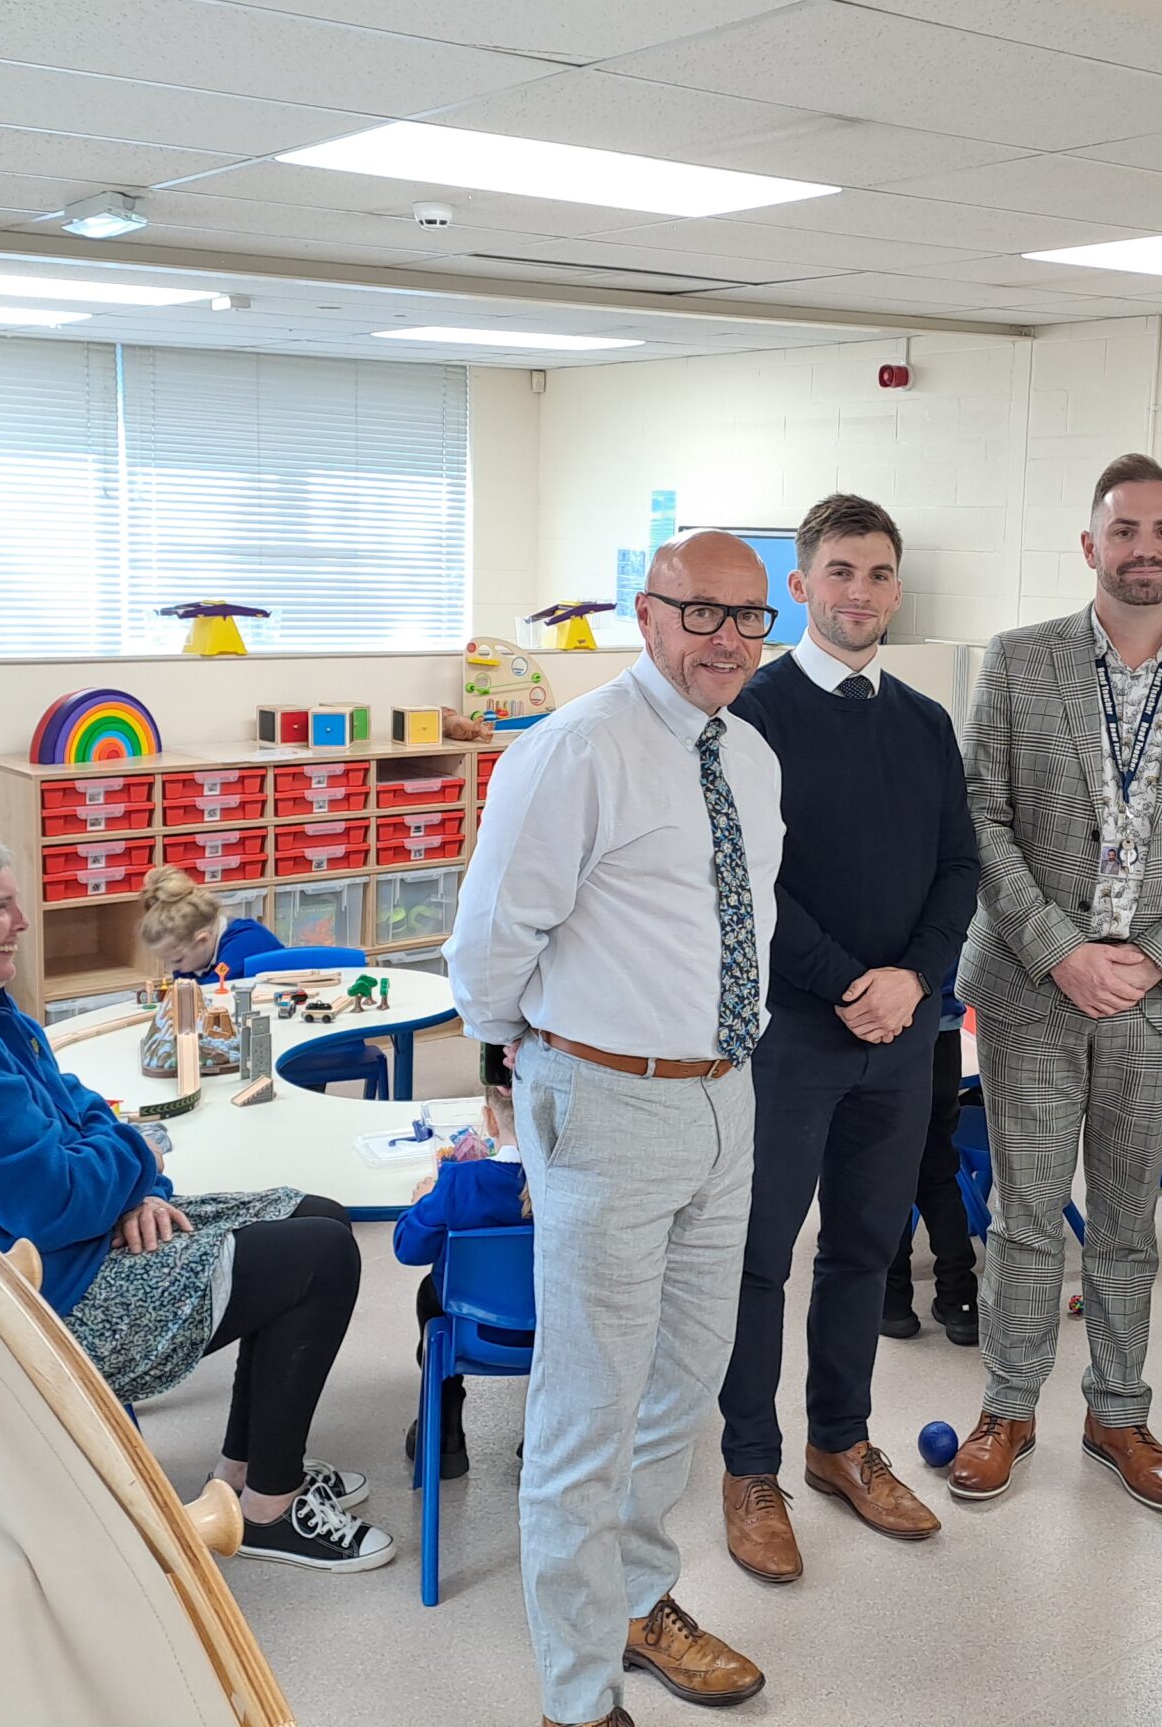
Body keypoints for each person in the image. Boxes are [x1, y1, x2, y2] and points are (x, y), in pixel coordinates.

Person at [0, 830, 392, 1572]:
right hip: (38, 1299)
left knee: (313, 1214)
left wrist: (135, 1186)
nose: (22, 923)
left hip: (71, 1246)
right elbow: (57, 1203)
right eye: (0, 908)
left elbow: (84, 1105)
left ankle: (244, 1478)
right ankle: (270, 1508)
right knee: (319, 1257)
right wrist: (139, 1159)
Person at [446, 530, 786, 1727]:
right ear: (647, 616)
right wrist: (526, 1059)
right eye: (703, 615)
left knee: (678, 1388)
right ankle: (576, 1696)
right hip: (603, 1097)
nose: (729, 642)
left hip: (724, 1098)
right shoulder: (572, 751)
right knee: (586, 1411)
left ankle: (640, 1601)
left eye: (751, 620)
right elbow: (489, 944)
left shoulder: (747, 753)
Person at [945, 453, 1162, 1516]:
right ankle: (1006, 1407)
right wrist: (1059, 949)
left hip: (1159, 994)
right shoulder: (1016, 661)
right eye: (1125, 531)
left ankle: (1119, 1413)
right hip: (1032, 986)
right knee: (1024, 1213)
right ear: (1089, 547)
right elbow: (981, 817)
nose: (1145, 549)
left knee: (1129, 1217)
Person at [713, 494, 977, 1585]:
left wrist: (912, 981)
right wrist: (848, 986)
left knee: (866, 1251)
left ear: (894, 589)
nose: (856, 593)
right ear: (800, 586)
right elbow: (749, 888)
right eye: (837, 572)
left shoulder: (922, 720)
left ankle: (839, 1444)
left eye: (875, 575)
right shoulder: (754, 716)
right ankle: (749, 1468)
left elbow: (959, 866)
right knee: (757, 1259)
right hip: (789, 1038)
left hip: (901, 1038)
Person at [393, 1071, 531, 1480]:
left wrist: (423, 1202)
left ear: (489, 1121)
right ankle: (547, 1435)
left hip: (474, 1334)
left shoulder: (459, 1183)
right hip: (558, 1331)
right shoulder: (575, 1181)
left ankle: (444, 1433)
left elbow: (408, 1249)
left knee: (430, 1293)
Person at [883, 972, 978, 1346]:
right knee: (938, 1167)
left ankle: (892, 1302)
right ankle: (960, 1301)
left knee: (887, 1170)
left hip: (883, 1028)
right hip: (941, 1026)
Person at [138, 865, 283, 979]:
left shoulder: (246, 942)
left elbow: (214, 997)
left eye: (177, 960)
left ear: (203, 940)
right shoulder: (190, 961)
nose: (173, 969)